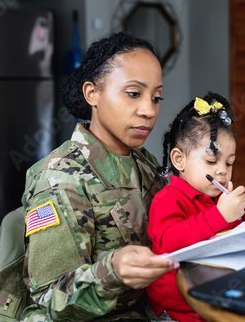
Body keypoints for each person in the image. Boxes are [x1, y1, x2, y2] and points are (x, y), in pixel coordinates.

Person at [21, 32, 179, 321]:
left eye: (156, 97)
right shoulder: (58, 178)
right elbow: (49, 298)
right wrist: (113, 269)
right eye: (134, 93)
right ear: (92, 93)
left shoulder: (146, 164)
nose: (149, 110)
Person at [147, 92, 245, 321]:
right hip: (178, 313)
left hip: (218, 298)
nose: (222, 170)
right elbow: (170, 243)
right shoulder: (168, 198)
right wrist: (220, 215)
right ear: (179, 160)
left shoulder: (223, 196)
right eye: (212, 161)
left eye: (229, 162)